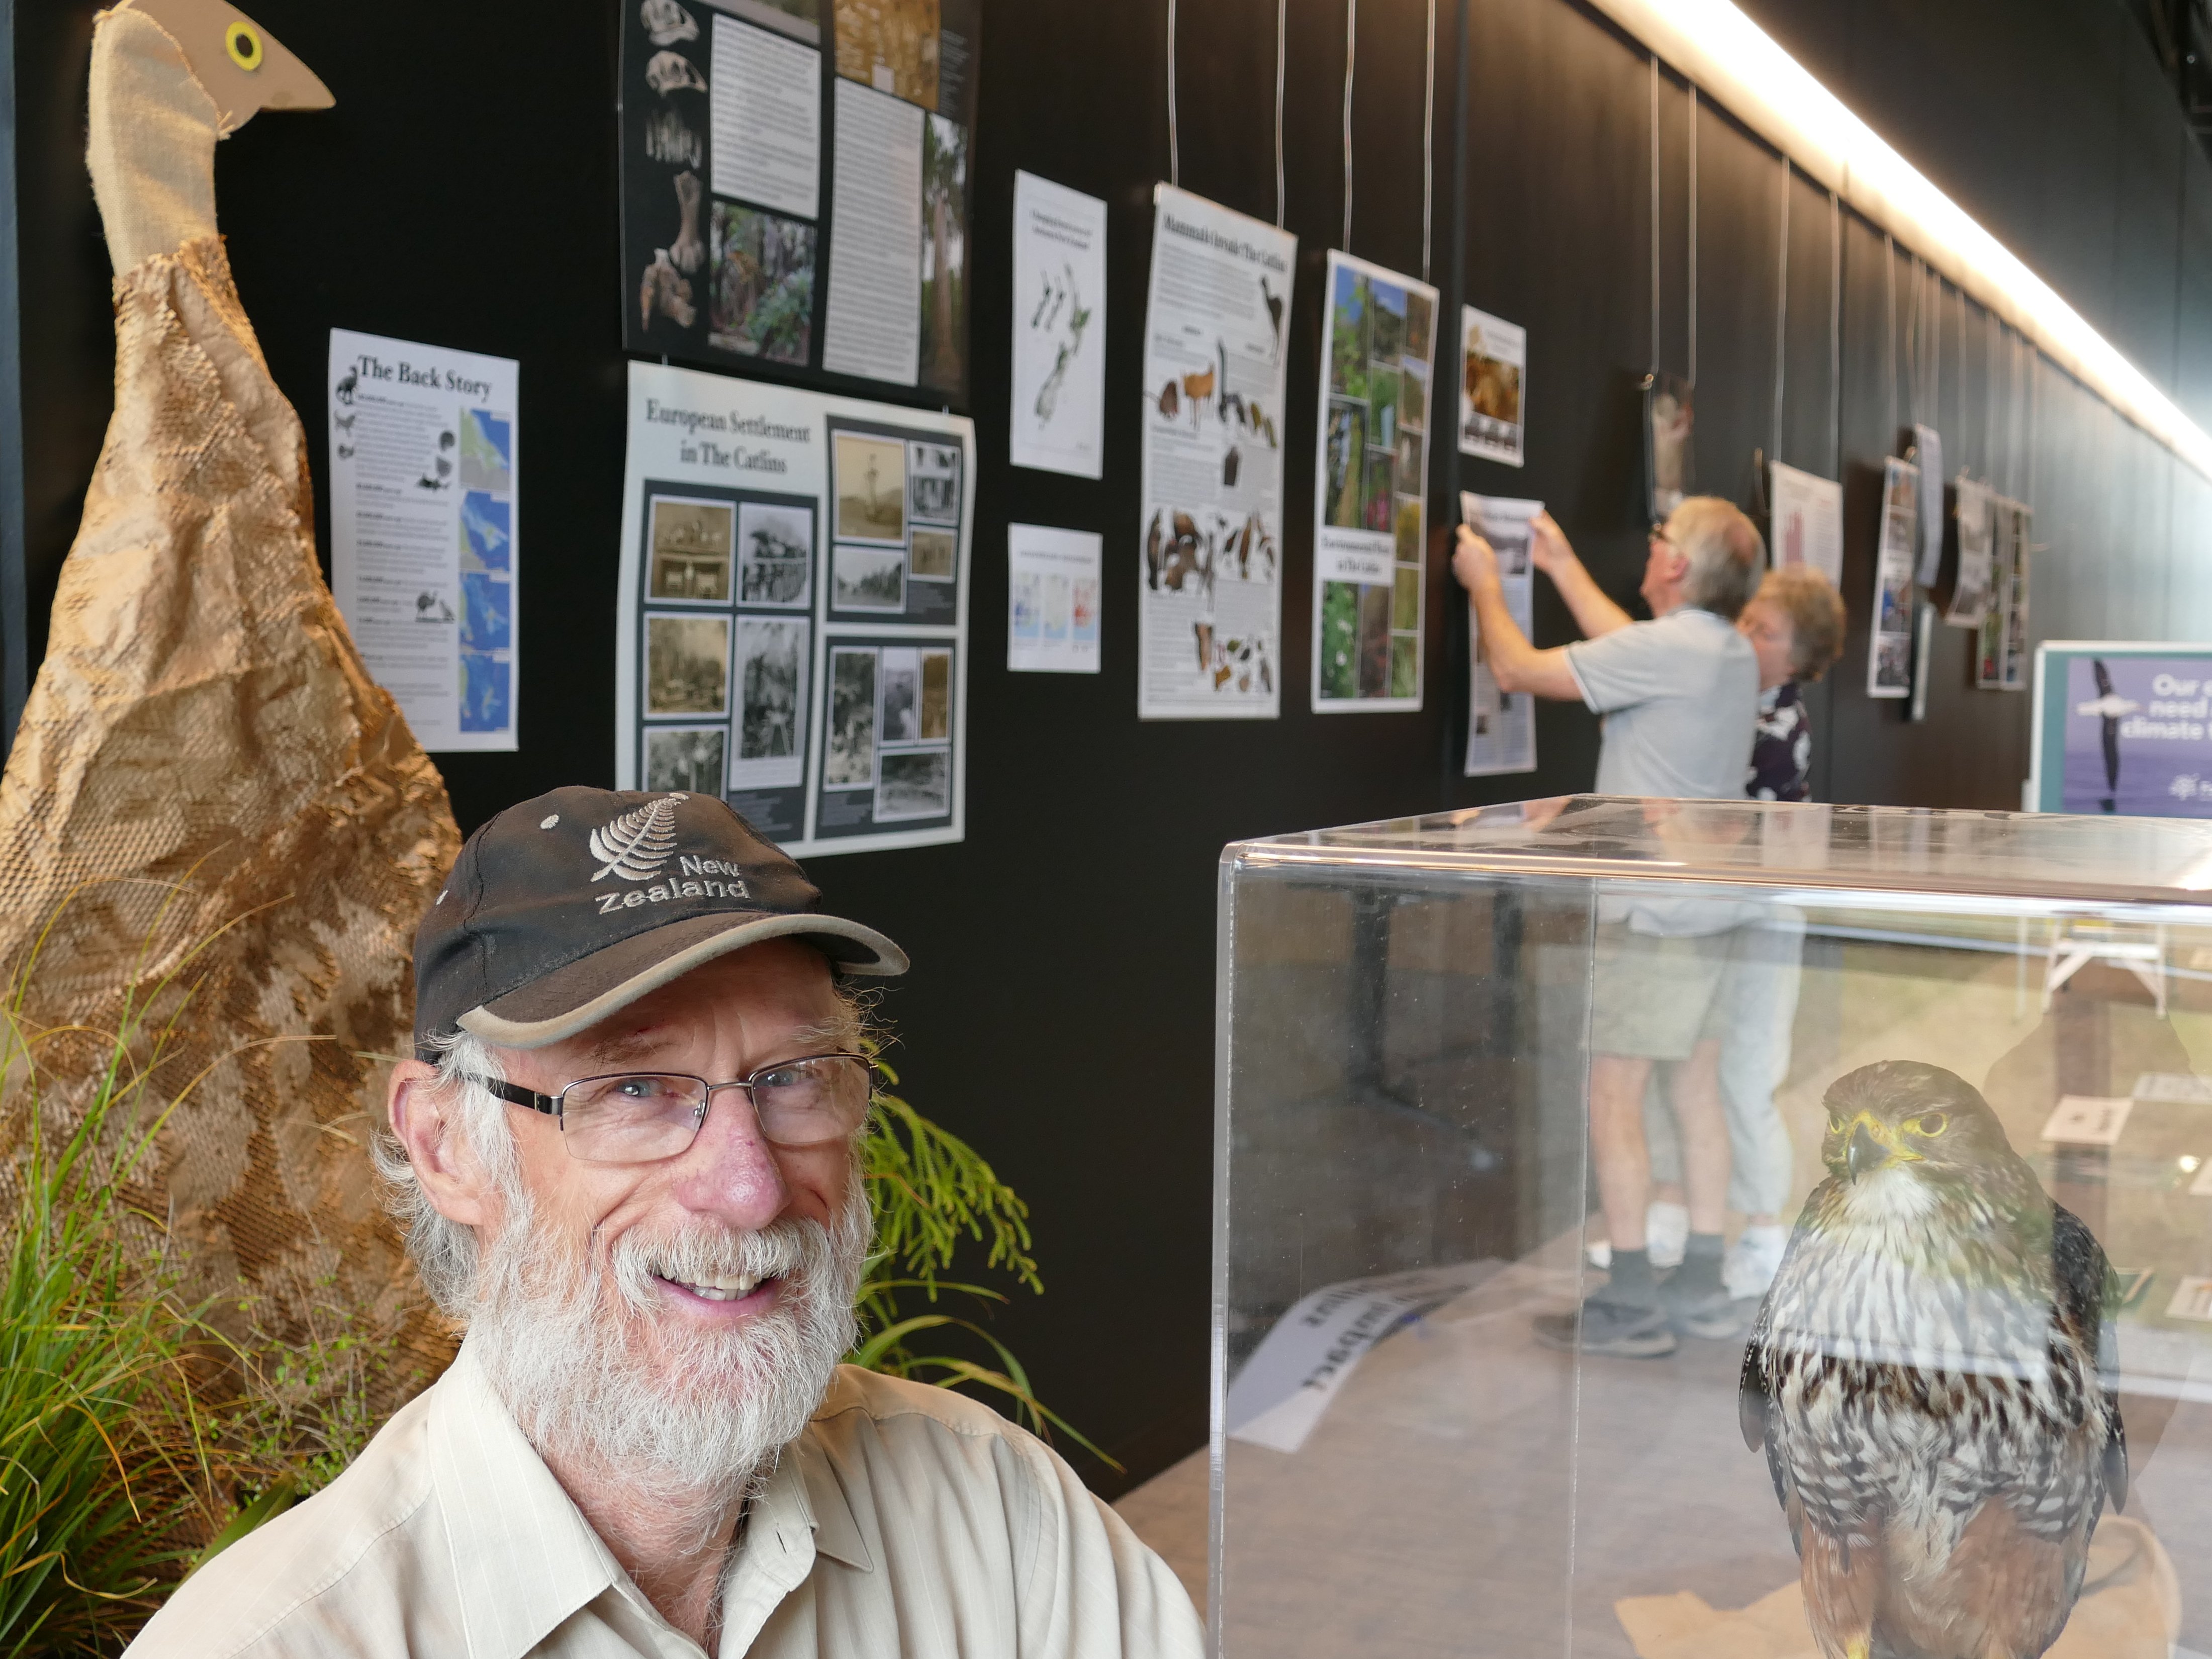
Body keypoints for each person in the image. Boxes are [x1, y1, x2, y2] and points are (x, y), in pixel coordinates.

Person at [130, 787, 1202, 1658]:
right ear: (447, 1147)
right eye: (634, 1090)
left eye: (790, 1077)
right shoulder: (282, 1639)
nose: (749, 1189)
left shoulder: (992, 1511)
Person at [1454, 499, 1764, 1357]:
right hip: (1714, 910)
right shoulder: (1724, 650)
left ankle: (1629, 1301)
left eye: (1661, 538)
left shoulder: (1671, 649)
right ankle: (1701, 1284)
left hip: (1654, 914)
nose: (1651, 543)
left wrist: (1486, 585)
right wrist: (1557, 565)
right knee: (1695, 1093)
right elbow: (1625, 645)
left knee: (1612, 1094)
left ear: (1676, 568)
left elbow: (1517, 670)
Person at [1637, 564, 1851, 1300]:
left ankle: (1764, 1229)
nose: (1745, 641)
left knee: (1746, 1074)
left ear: (1796, 660)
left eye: (1764, 633)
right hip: (1703, 909)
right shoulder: (1722, 698)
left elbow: (1728, 820)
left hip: (1760, 912)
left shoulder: (1777, 724)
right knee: (1679, 1064)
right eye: (1746, 623)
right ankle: (1671, 1202)